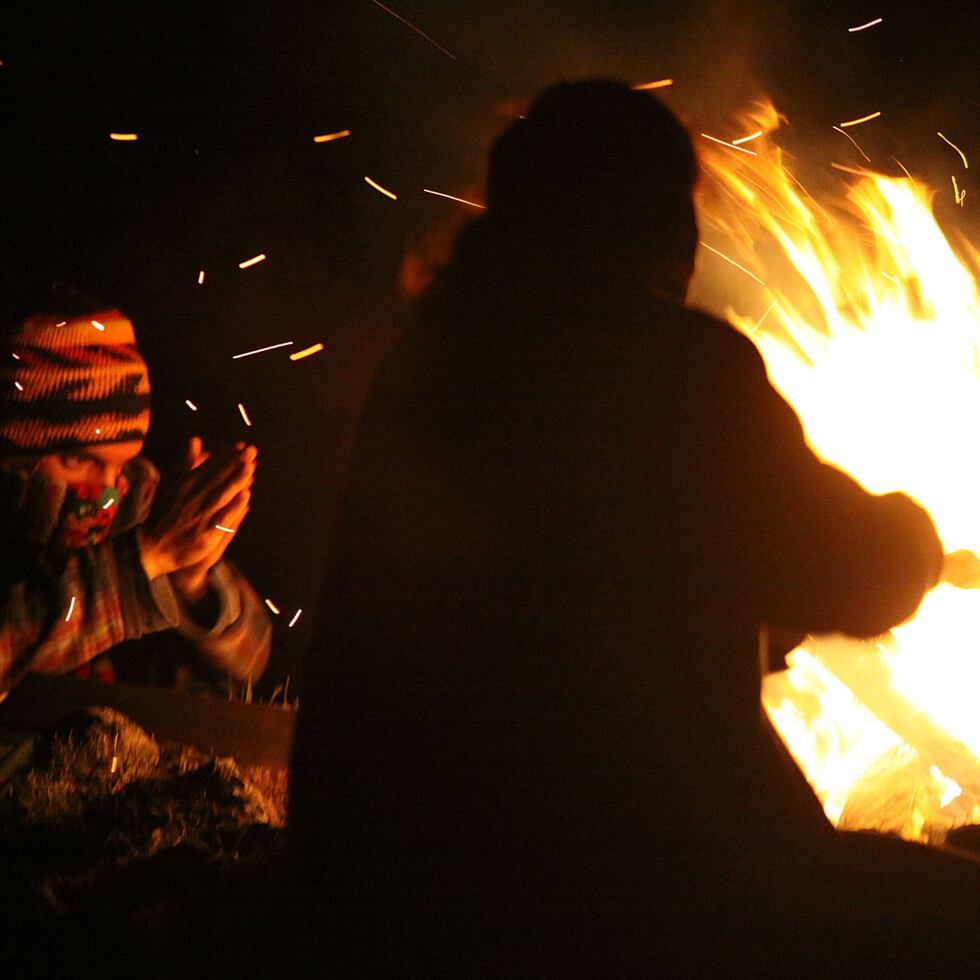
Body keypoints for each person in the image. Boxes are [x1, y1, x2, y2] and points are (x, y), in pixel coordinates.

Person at [288, 80, 980, 973]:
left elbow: (571, 590)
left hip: (368, 877)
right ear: (650, 222)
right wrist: (923, 547)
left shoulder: (434, 356)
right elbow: (856, 570)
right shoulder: (677, 370)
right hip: (606, 891)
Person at [0, 284, 271, 700]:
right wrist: (143, 562)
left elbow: (253, 661)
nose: (107, 491)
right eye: (78, 459)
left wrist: (192, 583)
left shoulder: (137, 496)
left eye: (121, 462)